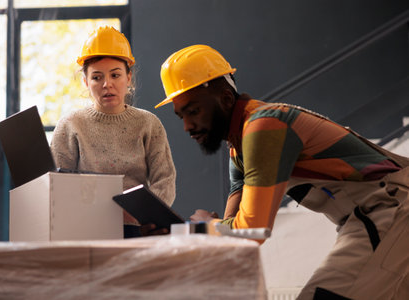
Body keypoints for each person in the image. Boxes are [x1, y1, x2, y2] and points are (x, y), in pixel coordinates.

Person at [155, 44, 409, 300]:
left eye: (194, 111)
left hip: (391, 211)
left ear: (226, 99)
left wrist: (207, 226)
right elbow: (236, 233)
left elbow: (251, 230)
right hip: (375, 217)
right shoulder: (239, 146)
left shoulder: (264, 127)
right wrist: (183, 230)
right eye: (181, 117)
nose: (188, 126)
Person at [51, 26, 176, 238]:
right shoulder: (71, 125)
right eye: (97, 77)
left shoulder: (149, 124)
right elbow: (56, 185)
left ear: (129, 78)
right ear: (86, 82)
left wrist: (141, 216)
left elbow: (165, 181)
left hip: (140, 230)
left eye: (115, 75)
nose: (107, 84)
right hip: (86, 231)